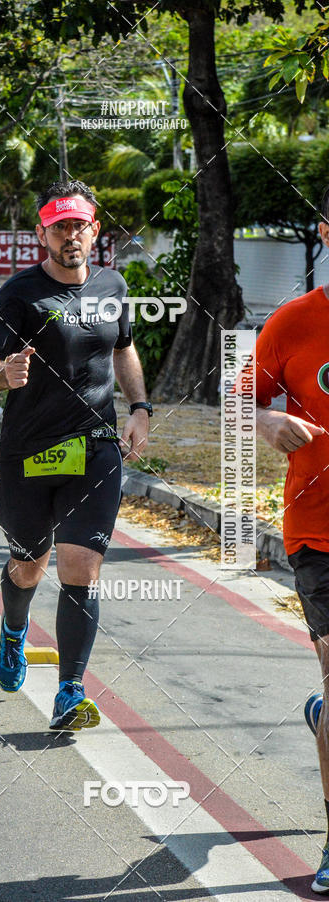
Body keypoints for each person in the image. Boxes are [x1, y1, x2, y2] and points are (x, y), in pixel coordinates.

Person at [0, 179, 151, 731]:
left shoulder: (113, 285)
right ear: (43, 233)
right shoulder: (18, 295)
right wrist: (5, 374)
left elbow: (124, 347)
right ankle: (14, 630)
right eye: (61, 226)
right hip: (28, 451)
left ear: (95, 230)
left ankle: (70, 691)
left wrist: (140, 406)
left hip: (94, 449)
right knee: (28, 566)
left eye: (80, 225)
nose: (72, 235)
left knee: (81, 566)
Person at [255, 187, 329, 893]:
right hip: (320, 531)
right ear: (325, 234)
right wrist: (264, 424)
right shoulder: (295, 321)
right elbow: (238, 395)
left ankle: (323, 715)